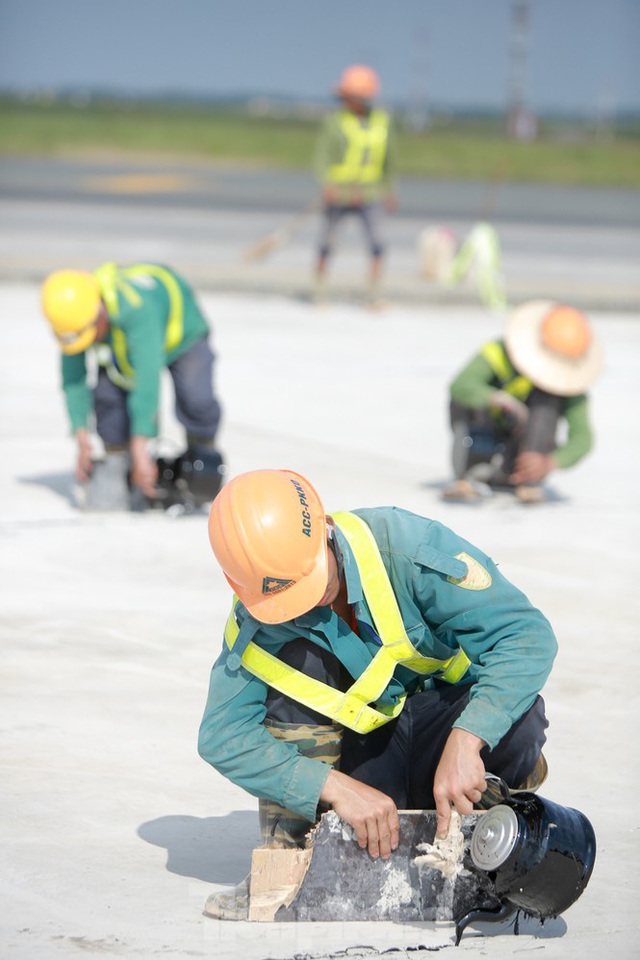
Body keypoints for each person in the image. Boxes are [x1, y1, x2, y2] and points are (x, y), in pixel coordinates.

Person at [198, 468, 556, 920]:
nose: (307, 604)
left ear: (324, 528)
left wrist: (468, 739)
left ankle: (484, 851)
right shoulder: (255, 616)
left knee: (521, 721)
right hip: (359, 767)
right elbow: (221, 735)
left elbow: (526, 636)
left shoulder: (407, 548)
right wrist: (332, 787)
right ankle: (290, 860)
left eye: (311, 582)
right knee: (292, 664)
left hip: (442, 743)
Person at [41, 262, 223, 509]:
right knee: (108, 395)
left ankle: (202, 459)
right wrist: (81, 436)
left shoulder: (137, 309)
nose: (87, 342)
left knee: (196, 397)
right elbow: (73, 378)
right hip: (131, 339)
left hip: (182, 336)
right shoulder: (76, 318)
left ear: (100, 313)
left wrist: (141, 447)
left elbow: (147, 383)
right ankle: (117, 462)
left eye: (89, 334)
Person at [443, 300, 603, 504]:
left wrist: (550, 462)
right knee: (466, 403)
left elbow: (582, 438)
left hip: (523, 449)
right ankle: (470, 473)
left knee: (547, 406)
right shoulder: (499, 352)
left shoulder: (568, 384)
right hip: (485, 428)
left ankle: (527, 480)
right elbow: (460, 386)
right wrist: (495, 398)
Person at [313, 64, 397, 308]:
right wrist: (328, 184)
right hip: (339, 193)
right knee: (327, 242)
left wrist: (390, 189)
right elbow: (322, 157)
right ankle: (320, 291)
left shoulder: (382, 122)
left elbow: (390, 159)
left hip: (371, 193)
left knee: (378, 243)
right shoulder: (334, 122)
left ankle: (373, 293)